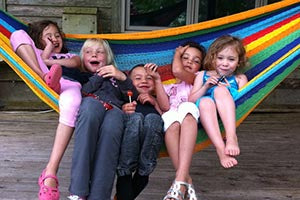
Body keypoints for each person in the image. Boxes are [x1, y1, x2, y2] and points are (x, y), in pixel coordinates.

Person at [9, 20, 90, 200]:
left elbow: (75, 63)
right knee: (16, 34)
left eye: (57, 35)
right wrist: (45, 55)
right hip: (42, 74)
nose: (54, 39)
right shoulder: (34, 53)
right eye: (48, 36)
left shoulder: (71, 55)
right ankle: (45, 77)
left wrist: (50, 59)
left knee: (74, 104)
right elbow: (19, 39)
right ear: (39, 40)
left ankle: (50, 172)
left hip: (68, 84)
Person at [68, 38, 138, 200]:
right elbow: (83, 91)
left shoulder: (117, 76)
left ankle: (99, 196)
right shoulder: (81, 74)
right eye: (89, 52)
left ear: (108, 58)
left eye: (100, 52)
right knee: (86, 136)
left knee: (109, 144)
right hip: (92, 103)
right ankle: (78, 192)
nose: (94, 54)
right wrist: (99, 76)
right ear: (82, 58)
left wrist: (121, 77)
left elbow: (133, 95)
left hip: (115, 111)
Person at [189, 35, 248, 169]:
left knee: (220, 91)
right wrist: (206, 86)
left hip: (227, 112)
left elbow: (245, 101)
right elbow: (191, 100)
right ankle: (221, 149)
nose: (225, 63)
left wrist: (228, 90)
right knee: (204, 101)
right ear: (213, 58)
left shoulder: (239, 79)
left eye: (231, 59)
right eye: (220, 58)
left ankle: (231, 137)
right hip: (206, 113)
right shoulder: (203, 75)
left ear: (238, 62)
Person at [156, 41, 206, 200]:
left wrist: (177, 55)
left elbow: (177, 70)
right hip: (172, 116)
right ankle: (185, 180)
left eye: (196, 60)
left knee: (187, 108)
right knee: (171, 121)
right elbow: (164, 106)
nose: (190, 62)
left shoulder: (196, 79)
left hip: (190, 116)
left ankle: (179, 180)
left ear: (200, 67)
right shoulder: (167, 85)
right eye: (186, 57)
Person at [115, 63, 165, 200]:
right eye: (138, 78)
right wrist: (123, 109)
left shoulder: (159, 100)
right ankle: (125, 173)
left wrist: (155, 103)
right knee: (135, 118)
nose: (144, 81)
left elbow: (167, 119)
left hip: (149, 144)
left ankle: (142, 173)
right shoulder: (125, 99)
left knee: (153, 119)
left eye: (149, 78)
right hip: (128, 146)